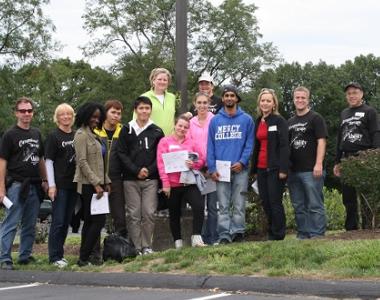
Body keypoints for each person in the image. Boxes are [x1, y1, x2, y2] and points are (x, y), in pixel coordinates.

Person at [0, 97, 48, 270]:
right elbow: (2, 162)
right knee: (11, 222)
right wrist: (1, 188)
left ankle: (24, 256)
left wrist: (45, 180)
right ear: (16, 113)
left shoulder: (36, 133)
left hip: (34, 185)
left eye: (29, 110)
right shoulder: (10, 134)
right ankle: (4, 258)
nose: (26, 113)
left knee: (30, 223)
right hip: (16, 185)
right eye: (22, 111)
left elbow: (41, 159)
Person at [207, 85, 254, 244]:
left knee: (239, 203)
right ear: (222, 99)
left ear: (237, 98)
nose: (229, 98)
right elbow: (210, 146)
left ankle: (238, 232)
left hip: (241, 169)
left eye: (232, 95)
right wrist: (212, 168)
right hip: (221, 170)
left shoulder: (246, 119)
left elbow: (249, 144)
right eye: (226, 95)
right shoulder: (215, 121)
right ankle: (224, 235)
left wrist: (242, 162)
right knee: (223, 205)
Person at [118, 96, 164, 255]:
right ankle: (136, 248)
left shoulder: (157, 131)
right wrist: (136, 170)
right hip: (130, 180)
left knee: (149, 213)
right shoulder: (126, 129)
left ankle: (147, 246)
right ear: (135, 110)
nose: (144, 111)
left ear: (151, 110)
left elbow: (161, 155)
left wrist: (149, 171)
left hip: (151, 180)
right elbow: (121, 154)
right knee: (133, 215)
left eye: (147, 108)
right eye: (141, 108)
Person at [334, 82, 380, 230]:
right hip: (346, 159)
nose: (352, 96)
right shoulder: (344, 113)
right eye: (349, 94)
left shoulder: (370, 111)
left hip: (364, 157)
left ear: (361, 94)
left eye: (355, 92)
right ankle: (351, 228)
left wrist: (374, 156)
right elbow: (340, 138)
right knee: (348, 196)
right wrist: (337, 161)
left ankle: (368, 227)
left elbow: (375, 134)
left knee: (366, 194)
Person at [157, 114, 206, 248]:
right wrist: (165, 183)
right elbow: (161, 164)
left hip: (188, 182)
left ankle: (196, 237)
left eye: (185, 127)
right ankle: (178, 242)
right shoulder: (165, 142)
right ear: (175, 125)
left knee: (199, 206)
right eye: (180, 126)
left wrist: (194, 164)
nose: (182, 129)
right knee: (174, 213)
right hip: (172, 185)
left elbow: (201, 159)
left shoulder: (192, 142)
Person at [287, 87, 328, 239]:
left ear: (308, 99)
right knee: (298, 205)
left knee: (314, 204)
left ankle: (317, 234)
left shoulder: (315, 118)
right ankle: (303, 234)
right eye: (297, 97)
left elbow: (321, 141)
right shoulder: (290, 122)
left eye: (303, 98)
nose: (300, 100)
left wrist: (319, 164)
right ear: (293, 99)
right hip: (294, 171)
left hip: (311, 170)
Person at [73, 102, 111, 266]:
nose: (96, 119)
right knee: (97, 222)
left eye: (98, 117)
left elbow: (100, 162)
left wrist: (106, 181)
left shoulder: (95, 135)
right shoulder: (81, 135)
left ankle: (84, 258)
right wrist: (96, 183)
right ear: (85, 116)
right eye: (93, 116)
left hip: (100, 184)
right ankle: (84, 257)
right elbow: (82, 162)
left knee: (91, 222)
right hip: (89, 185)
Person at [251, 88, 289, 241]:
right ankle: (272, 232)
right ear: (259, 103)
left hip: (275, 168)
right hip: (261, 168)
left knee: (275, 201)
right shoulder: (258, 121)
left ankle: (278, 234)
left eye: (268, 100)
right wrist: (253, 169)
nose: (265, 103)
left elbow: (284, 146)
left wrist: (283, 168)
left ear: (274, 104)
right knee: (265, 202)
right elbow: (256, 145)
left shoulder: (279, 121)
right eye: (263, 100)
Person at [45, 103, 77, 268]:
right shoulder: (53, 136)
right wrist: (51, 185)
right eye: (62, 114)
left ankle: (60, 254)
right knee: (58, 221)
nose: (66, 117)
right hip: (59, 185)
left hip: (74, 185)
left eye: (69, 114)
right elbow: (48, 162)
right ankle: (54, 256)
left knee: (66, 221)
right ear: (57, 117)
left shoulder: (76, 134)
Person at [187, 92, 218, 245]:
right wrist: (197, 165)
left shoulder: (215, 120)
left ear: (209, 104)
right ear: (195, 104)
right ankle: (199, 237)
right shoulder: (190, 123)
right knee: (199, 206)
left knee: (212, 205)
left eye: (205, 102)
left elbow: (217, 143)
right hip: (197, 170)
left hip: (211, 168)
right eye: (199, 102)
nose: (202, 106)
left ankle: (212, 237)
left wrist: (210, 165)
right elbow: (189, 145)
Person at [94, 99, 126, 236]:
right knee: (97, 218)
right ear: (105, 113)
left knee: (119, 216)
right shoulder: (95, 131)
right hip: (96, 179)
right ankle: (94, 252)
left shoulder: (124, 131)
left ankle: (122, 248)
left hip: (116, 178)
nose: (116, 116)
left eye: (119, 113)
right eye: (113, 112)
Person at [138, 68, 176, 136]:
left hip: (169, 140)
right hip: (150, 141)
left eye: (165, 80)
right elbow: (136, 121)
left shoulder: (172, 97)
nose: (162, 82)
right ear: (153, 81)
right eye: (159, 79)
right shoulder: (143, 97)